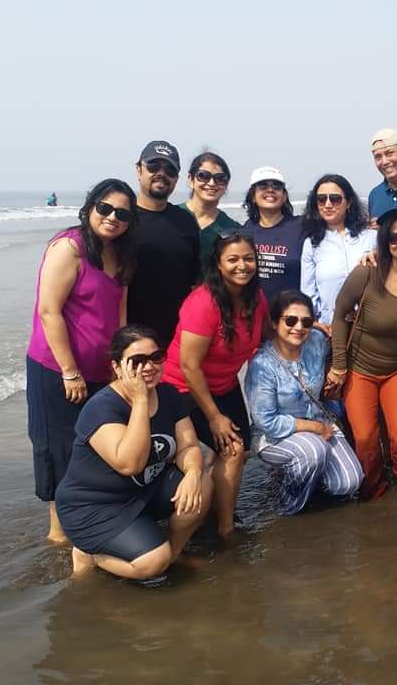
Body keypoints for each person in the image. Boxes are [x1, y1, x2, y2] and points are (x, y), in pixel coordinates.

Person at [55, 325, 213, 582]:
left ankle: (173, 554)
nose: (148, 367)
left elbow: (188, 447)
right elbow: (130, 464)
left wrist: (194, 473)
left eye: (156, 357)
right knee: (153, 561)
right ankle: (91, 555)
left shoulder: (168, 395)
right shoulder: (101, 408)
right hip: (95, 506)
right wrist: (140, 400)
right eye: (137, 361)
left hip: (144, 491)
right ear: (117, 367)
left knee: (203, 483)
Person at [27, 178, 138, 543]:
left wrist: (118, 367)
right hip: (57, 370)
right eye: (105, 208)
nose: (112, 217)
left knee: (94, 450)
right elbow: (49, 311)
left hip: (101, 372)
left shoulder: (121, 255)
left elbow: (119, 315)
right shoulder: (69, 247)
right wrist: (70, 371)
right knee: (58, 451)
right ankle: (59, 535)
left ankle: (89, 526)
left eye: (122, 214)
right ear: (90, 207)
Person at [327, 209, 397, 515]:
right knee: (366, 439)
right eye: (395, 236)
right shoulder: (367, 272)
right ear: (385, 241)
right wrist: (339, 365)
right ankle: (374, 491)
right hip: (360, 369)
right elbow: (339, 315)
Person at [161, 232, 266, 538]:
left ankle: (218, 511)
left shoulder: (255, 297)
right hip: (182, 387)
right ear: (218, 264)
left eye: (248, 259)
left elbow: (268, 336)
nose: (242, 266)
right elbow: (189, 366)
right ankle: (225, 529)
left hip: (225, 384)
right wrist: (214, 417)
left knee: (239, 452)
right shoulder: (203, 302)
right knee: (232, 449)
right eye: (233, 259)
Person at [245, 291, 363, 514]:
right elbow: (266, 422)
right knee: (313, 450)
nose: (298, 327)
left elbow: (342, 340)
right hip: (275, 436)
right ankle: (288, 506)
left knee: (349, 483)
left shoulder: (316, 341)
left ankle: (310, 479)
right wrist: (314, 428)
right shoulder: (261, 365)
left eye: (306, 322)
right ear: (274, 323)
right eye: (290, 320)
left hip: (320, 421)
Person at [127, 140, 200, 345]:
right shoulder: (121, 218)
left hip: (176, 336)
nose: (161, 173)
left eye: (170, 170)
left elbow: (194, 282)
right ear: (139, 170)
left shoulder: (185, 221)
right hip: (131, 337)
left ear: (176, 178)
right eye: (153, 166)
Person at [300, 174, 377, 332]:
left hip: (370, 327)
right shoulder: (312, 244)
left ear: (348, 202)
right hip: (329, 329)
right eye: (321, 199)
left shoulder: (371, 237)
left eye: (335, 199)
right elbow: (308, 292)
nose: (328, 205)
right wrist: (315, 323)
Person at [238, 166, 304, 303]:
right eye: (263, 186)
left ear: (284, 196)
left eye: (277, 186)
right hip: (255, 311)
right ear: (253, 196)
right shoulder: (246, 230)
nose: (270, 190)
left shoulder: (301, 226)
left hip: (290, 312)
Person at [178, 152, 241, 265]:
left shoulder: (232, 229)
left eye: (220, 178)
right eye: (203, 176)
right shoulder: (169, 217)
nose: (211, 183)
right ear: (190, 180)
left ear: (226, 185)